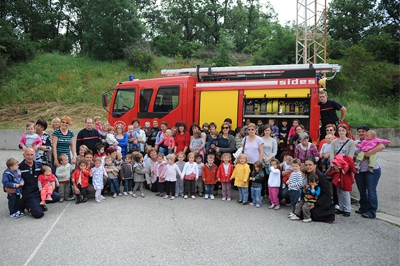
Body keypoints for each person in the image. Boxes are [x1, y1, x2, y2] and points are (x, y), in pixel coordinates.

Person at [354, 125, 385, 219]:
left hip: (372, 169)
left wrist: (369, 153)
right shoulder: (356, 142)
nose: (361, 133)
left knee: (371, 191)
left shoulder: (374, 140)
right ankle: (363, 207)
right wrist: (361, 156)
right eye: (359, 131)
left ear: (367, 132)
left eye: (363, 131)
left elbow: (382, 146)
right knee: (362, 190)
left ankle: (371, 211)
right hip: (359, 169)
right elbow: (352, 154)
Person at [329, 124, 355, 209]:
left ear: (346, 131)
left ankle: (347, 208)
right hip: (336, 166)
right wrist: (334, 165)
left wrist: (342, 166)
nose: (341, 132)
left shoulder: (351, 142)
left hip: (345, 167)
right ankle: (341, 207)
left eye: (343, 130)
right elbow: (332, 154)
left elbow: (350, 157)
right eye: (339, 130)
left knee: (345, 189)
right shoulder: (334, 142)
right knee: (338, 188)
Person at [302, 157, 335, 223]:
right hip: (311, 197)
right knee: (302, 210)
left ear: (315, 165)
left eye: (310, 165)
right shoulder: (307, 174)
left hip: (321, 198)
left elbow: (326, 193)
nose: (308, 167)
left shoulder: (321, 177)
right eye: (306, 165)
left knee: (314, 214)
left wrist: (316, 204)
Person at [260, 124, 277, 197]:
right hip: (262, 160)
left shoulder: (273, 140)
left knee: (270, 177)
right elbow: (259, 150)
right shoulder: (260, 139)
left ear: (270, 131)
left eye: (268, 130)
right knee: (262, 177)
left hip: (271, 161)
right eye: (266, 130)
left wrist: (269, 158)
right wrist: (264, 158)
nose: (267, 132)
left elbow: (275, 151)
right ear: (264, 131)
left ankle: (268, 193)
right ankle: (262, 193)